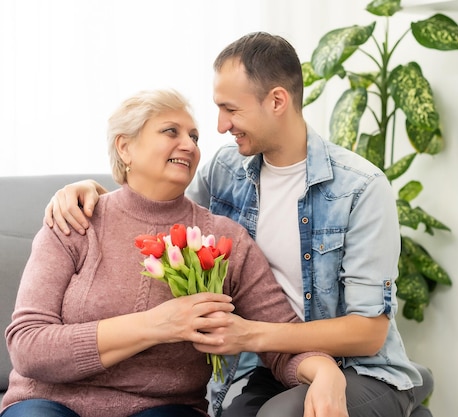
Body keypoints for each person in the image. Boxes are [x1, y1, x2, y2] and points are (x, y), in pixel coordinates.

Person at [45, 33, 434, 417]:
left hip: (362, 370)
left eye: (230, 109)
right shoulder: (225, 170)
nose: (219, 125)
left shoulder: (360, 188)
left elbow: (368, 333)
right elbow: (165, 216)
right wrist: (93, 192)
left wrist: (252, 335)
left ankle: (414, 386)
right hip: (275, 367)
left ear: (277, 101)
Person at [1, 89, 348, 417]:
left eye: (194, 137)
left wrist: (325, 373)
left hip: (163, 406)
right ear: (125, 148)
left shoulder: (225, 238)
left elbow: (279, 336)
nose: (190, 145)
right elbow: (29, 346)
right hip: (49, 399)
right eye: (171, 131)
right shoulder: (75, 219)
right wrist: (157, 325)